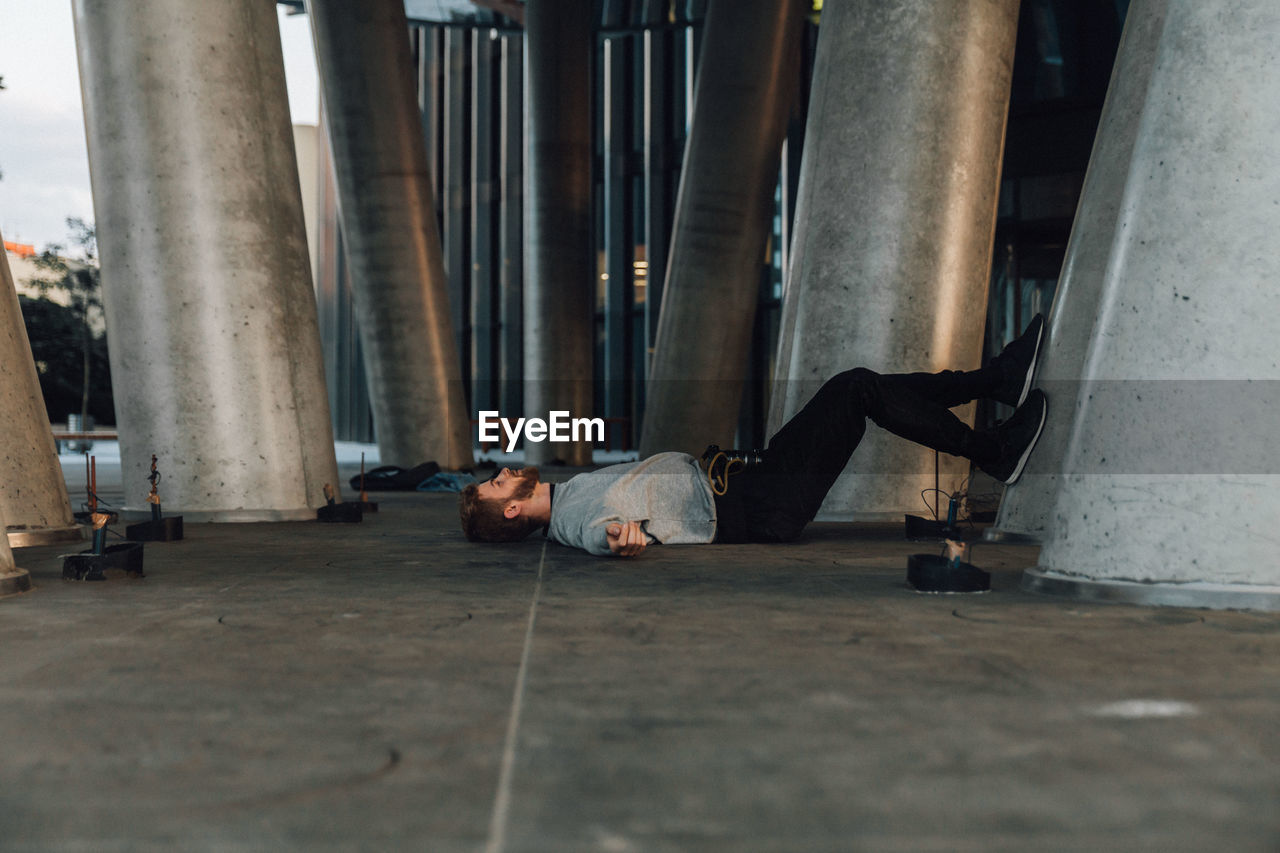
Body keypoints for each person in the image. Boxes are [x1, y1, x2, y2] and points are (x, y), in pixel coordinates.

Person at [460, 316, 1048, 557]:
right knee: (855, 389)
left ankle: (996, 380)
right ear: (512, 510)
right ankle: (995, 447)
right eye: (495, 484)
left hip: (753, 481)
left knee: (857, 387)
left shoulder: (568, 491)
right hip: (758, 505)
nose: (503, 470)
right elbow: (595, 535)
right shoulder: (568, 519)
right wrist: (617, 538)